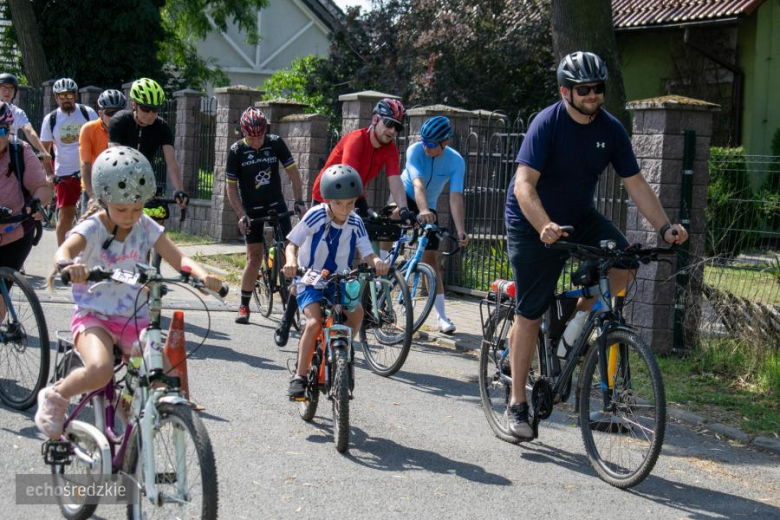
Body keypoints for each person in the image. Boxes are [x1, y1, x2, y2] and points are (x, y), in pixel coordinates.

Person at [503, 51, 688, 440]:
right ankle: (516, 403)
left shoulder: (611, 129)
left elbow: (635, 182)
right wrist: (544, 225)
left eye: (598, 87)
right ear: (565, 91)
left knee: (625, 263)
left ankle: (571, 328)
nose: (593, 94)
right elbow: (524, 185)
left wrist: (665, 226)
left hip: (579, 217)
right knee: (531, 312)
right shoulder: (547, 123)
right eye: (584, 89)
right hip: (531, 221)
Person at [35, 146, 223, 440]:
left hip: (133, 319)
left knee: (164, 376)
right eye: (122, 209)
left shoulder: (144, 225)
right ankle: (56, 395)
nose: (130, 216)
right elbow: (66, 249)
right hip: (93, 317)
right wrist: (68, 265)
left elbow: (178, 258)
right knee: (100, 369)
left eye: (137, 208)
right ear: (104, 200)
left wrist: (203, 276)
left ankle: (130, 411)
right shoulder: (93, 227)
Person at [275, 98, 412, 345]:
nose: (392, 131)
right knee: (313, 262)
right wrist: (361, 207)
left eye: (398, 127)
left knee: (351, 257)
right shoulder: (356, 140)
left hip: (352, 199)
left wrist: (403, 210)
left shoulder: (390, 148)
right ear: (375, 120)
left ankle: (352, 314)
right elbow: (348, 179)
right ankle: (287, 318)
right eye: (389, 124)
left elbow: (394, 179)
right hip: (330, 196)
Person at [283, 165, 388, 399]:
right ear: (329, 200)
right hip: (310, 277)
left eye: (350, 203)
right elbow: (292, 244)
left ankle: (342, 357)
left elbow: (366, 252)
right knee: (314, 322)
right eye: (339, 203)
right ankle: (299, 377)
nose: (345, 209)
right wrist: (291, 262)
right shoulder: (316, 215)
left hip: (339, 279)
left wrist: (377, 260)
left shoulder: (356, 222)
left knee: (357, 314)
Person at [226, 107, 305, 324]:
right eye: (252, 138)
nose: (257, 141)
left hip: (276, 203)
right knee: (254, 257)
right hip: (251, 209)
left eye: (260, 136)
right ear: (243, 133)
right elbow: (231, 188)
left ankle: (296, 299)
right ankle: (244, 305)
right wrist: (242, 214)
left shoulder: (275, 142)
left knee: (291, 249)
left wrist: (298, 201)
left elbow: (293, 173)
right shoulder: (236, 151)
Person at [391, 115, 469, 333]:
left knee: (431, 263)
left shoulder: (456, 161)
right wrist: (421, 210)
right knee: (388, 221)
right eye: (424, 141)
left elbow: (455, 196)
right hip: (406, 197)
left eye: (432, 144)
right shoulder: (414, 150)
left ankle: (442, 317)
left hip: (429, 206)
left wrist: (461, 229)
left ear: (446, 142)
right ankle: (381, 270)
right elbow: (417, 184)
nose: (426, 147)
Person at [108, 78, 188, 217]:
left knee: (158, 217)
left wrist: (179, 190)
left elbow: (172, 163)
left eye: (155, 110)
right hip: (117, 176)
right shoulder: (119, 121)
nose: (151, 115)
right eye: (146, 109)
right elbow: (115, 158)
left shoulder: (162, 127)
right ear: (134, 104)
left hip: (143, 179)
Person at [40, 78, 98, 246]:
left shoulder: (87, 113)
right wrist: (49, 174)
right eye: (62, 96)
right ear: (56, 98)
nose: (66, 99)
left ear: (76, 95)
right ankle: (62, 259)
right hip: (65, 173)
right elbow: (44, 151)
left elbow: (98, 138)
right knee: (66, 217)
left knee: (95, 216)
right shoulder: (50, 119)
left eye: (69, 95)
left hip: (89, 171)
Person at [0, 101, 51, 276]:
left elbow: (42, 187)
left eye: (2, 130)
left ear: (9, 130)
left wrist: (36, 203)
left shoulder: (20, 151)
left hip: (17, 231)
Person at [79, 89, 127, 204]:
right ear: (100, 113)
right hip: (95, 186)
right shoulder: (88, 129)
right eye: (110, 113)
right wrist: (91, 194)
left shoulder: (128, 129)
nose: (114, 117)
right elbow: (85, 164)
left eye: (118, 112)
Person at [0, 72, 52, 175]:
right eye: (4, 88)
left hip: (8, 158)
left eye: (11, 88)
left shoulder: (18, 112)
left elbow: (29, 131)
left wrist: (43, 150)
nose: (8, 91)